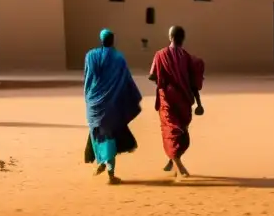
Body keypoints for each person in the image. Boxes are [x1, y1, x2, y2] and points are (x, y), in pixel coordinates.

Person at [83, 29, 142, 185]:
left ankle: (102, 163)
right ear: (113, 40)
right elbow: (126, 80)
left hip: (95, 103)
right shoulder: (119, 58)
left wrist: (89, 98)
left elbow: (88, 79)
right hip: (112, 105)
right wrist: (130, 98)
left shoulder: (90, 56)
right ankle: (110, 172)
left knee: (98, 134)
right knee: (110, 137)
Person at [148, 26, 205, 178]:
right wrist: (199, 103)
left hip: (167, 99)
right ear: (182, 38)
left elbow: (152, 76)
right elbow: (194, 83)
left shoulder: (160, 55)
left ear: (170, 37)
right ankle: (178, 164)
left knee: (172, 131)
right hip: (184, 100)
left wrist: (164, 80)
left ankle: (173, 159)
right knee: (180, 133)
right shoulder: (187, 57)